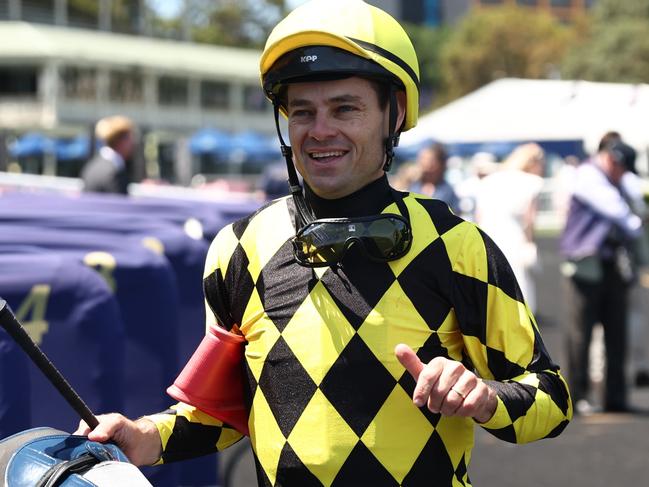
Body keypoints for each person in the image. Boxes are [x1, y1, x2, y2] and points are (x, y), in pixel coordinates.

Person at [76, 1, 572, 485]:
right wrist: (143, 436)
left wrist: (483, 396)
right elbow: (222, 411)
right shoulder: (238, 249)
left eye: (345, 108)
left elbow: (551, 401)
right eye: (302, 111)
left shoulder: (458, 247)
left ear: (393, 115)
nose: (320, 131)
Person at [560, 138, 643, 414]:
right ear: (612, 160)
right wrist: (636, 223)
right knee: (580, 333)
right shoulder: (588, 177)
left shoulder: (615, 180)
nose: (624, 175)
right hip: (586, 267)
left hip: (613, 267)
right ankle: (576, 396)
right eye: (622, 169)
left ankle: (615, 397)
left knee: (617, 334)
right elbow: (617, 211)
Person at [475, 143, 546, 313]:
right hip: (514, 236)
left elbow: (479, 215)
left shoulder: (490, 180)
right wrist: (530, 242)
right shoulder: (532, 182)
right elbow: (529, 220)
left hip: (489, 234)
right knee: (519, 284)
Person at [81, 115, 137, 194]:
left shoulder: (92, 166)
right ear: (121, 140)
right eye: (130, 138)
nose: (133, 143)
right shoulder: (113, 173)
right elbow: (121, 205)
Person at [409, 142, 460, 213]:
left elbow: (456, 216)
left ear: (441, 164)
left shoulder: (448, 191)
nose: (425, 165)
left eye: (430, 161)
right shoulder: (412, 186)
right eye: (422, 159)